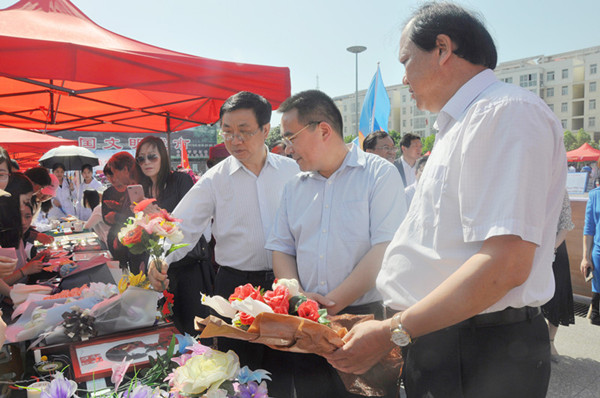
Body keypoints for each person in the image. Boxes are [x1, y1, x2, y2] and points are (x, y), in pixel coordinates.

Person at [327, 3, 565, 398]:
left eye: (406, 61)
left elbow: (506, 264)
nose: (403, 78)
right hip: (443, 341)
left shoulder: (506, 113)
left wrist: (391, 330)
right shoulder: (463, 123)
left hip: (481, 351)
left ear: (442, 49)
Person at [148, 91, 299, 397]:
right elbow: (181, 227)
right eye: (228, 131)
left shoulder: (292, 172)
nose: (235, 140)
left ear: (266, 130)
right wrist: (158, 259)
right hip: (234, 288)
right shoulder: (215, 179)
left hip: (285, 287)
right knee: (238, 376)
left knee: (284, 373)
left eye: (244, 131)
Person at [266, 90, 407, 398]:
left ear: (324, 130)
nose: (287, 150)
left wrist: (327, 305)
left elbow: (384, 250)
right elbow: (282, 249)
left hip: (365, 321)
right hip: (306, 321)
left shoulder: (378, 174)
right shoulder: (294, 187)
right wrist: (297, 297)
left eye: (291, 138)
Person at [135, 135, 214, 335]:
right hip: (161, 269)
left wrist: (158, 215)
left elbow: (190, 222)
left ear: (162, 156)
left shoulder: (180, 180)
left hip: (188, 266)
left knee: (194, 328)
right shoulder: (142, 189)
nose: (146, 162)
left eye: (152, 156)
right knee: (167, 328)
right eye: (141, 158)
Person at [542, 191, 575, 361]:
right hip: (530, 247)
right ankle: (531, 341)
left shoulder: (561, 190)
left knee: (558, 294)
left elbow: (565, 224)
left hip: (555, 247)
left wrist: (551, 248)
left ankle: (550, 341)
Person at [103, 153, 144, 272]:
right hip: (130, 250)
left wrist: (116, 216)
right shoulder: (130, 188)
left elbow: (137, 219)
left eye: (114, 172)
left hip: (138, 251)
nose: (114, 178)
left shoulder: (139, 187)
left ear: (125, 170)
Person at [582, 167, 600, 326]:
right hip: (599, 252)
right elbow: (589, 229)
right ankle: (595, 313)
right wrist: (585, 257)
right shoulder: (595, 195)